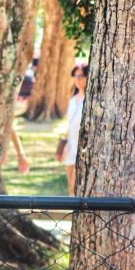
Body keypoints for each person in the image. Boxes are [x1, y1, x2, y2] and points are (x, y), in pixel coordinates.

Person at [58, 64, 87, 196]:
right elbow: (70, 125)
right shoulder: (72, 100)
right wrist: (64, 145)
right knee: (71, 187)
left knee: (77, 186)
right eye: (75, 76)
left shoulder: (90, 100)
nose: (77, 79)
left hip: (83, 150)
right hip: (71, 147)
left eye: (81, 76)